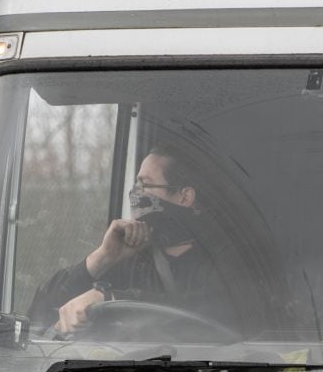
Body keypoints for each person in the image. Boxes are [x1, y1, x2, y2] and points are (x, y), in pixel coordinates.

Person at [27, 144, 240, 337]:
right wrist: (102, 258)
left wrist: (112, 300)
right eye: (136, 185)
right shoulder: (133, 261)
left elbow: (217, 311)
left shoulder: (229, 258)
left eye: (145, 185)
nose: (135, 194)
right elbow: (37, 317)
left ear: (185, 197)